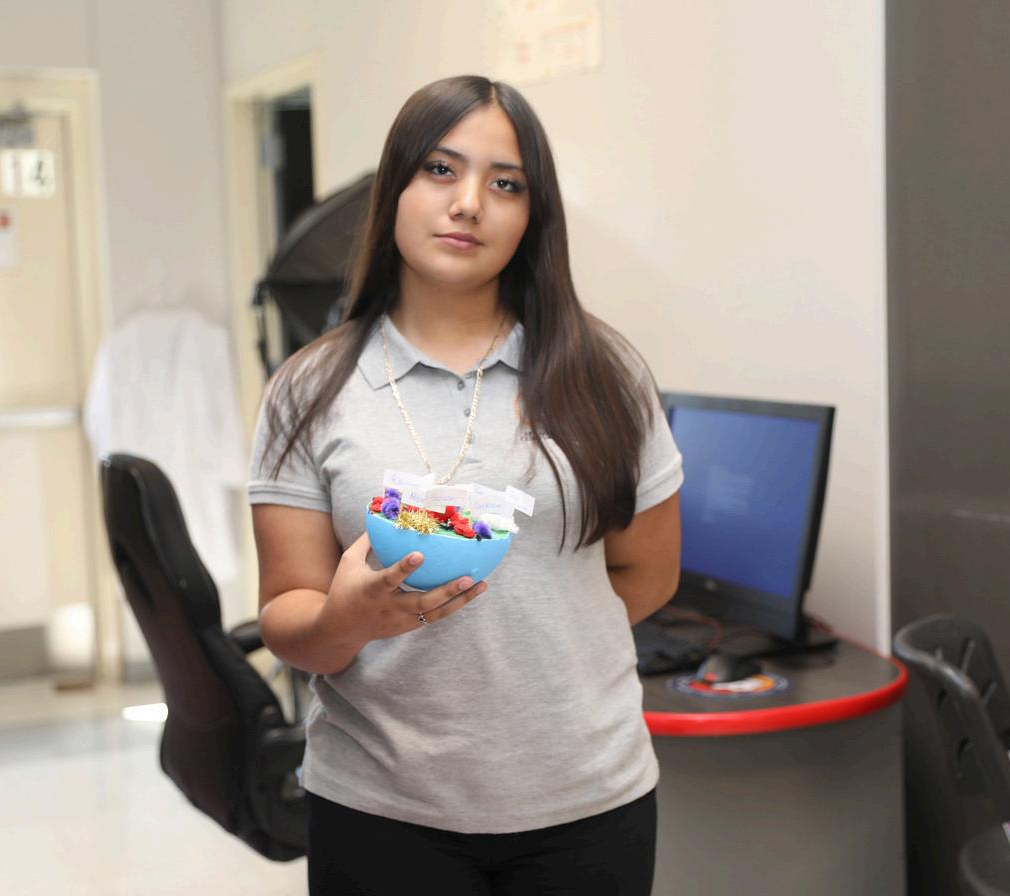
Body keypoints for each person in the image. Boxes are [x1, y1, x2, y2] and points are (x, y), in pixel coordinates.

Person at [248, 74, 683, 895]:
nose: (470, 203)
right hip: (380, 808)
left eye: (506, 184)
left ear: (533, 216)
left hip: (588, 800)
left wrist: (544, 640)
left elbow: (650, 573)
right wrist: (345, 621)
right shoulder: (307, 389)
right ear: (395, 188)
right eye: (440, 170)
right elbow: (287, 617)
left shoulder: (605, 373)